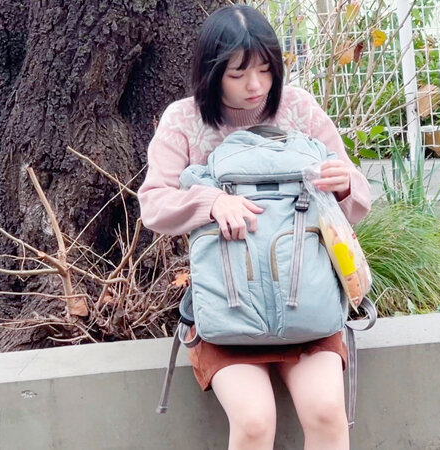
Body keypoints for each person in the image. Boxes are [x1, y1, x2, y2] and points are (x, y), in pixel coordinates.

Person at [137, 5, 372, 449]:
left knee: (326, 412)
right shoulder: (184, 119)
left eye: (265, 70)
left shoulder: (298, 108)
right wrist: (211, 202)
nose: (255, 86)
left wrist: (344, 184)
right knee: (254, 422)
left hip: (307, 304)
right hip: (228, 309)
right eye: (238, 73)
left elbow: (358, 196)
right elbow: (153, 204)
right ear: (211, 73)